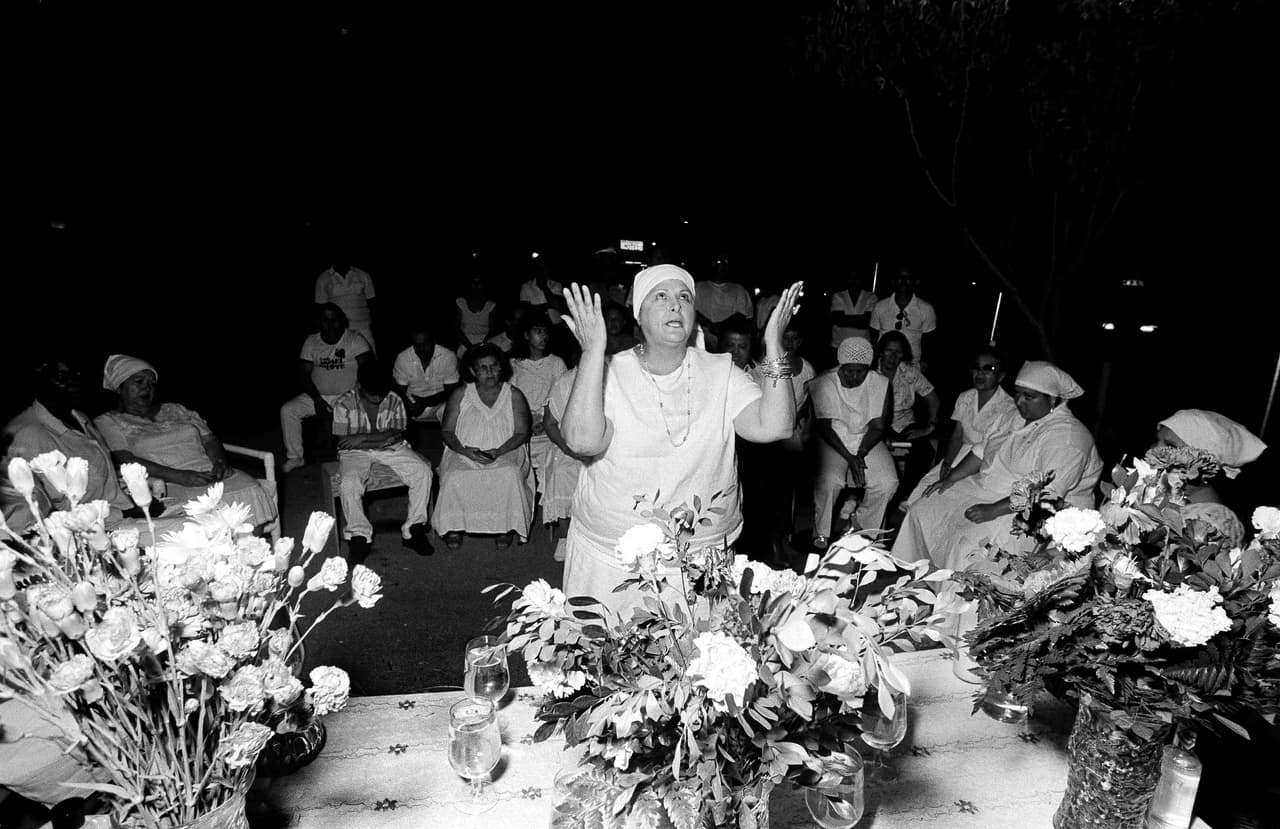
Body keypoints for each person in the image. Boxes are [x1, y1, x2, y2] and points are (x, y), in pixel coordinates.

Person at [558, 265, 803, 615]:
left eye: (684, 298)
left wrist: (774, 343)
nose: (676, 305)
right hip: (615, 552)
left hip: (701, 552)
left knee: (696, 660)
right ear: (639, 315)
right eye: (661, 296)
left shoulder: (720, 370)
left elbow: (775, 426)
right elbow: (581, 442)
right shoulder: (609, 370)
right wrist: (591, 352)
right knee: (608, 655)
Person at [892, 361, 1103, 570]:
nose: (1019, 401)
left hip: (1030, 509)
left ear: (1054, 400)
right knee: (924, 508)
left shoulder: (1068, 437)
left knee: (967, 542)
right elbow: (981, 450)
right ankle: (921, 573)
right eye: (1018, 393)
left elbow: (1048, 494)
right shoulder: (1012, 416)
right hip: (985, 487)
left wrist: (994, 510)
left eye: (1029, 397)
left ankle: (958, 597)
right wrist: (951, 478)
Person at [2, 358, 182, 541]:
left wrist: (136, 496)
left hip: (122, 509)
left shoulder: (78, 417)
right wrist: (125, 512)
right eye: (61, 376)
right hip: (93, 531)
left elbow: (104, 480)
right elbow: (48, 513)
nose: (73, 381)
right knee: (194, 529)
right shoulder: (27, 434)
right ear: (38, 380)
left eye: (77, 375)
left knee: (203, 511)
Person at [93, 355, 278, 531]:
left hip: (210, 471)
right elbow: (125, 460)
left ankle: (247, 553)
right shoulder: (109, 421)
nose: (147, 388)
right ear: (119, 387)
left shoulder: (176, 409)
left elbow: (209, 439)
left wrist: (220, 463)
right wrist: (181, 476)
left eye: (151, 383)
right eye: (139, 382)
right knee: (206, 511)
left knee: (249, 488)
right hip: (167, 482)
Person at [896, 345, 1020, 517]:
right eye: (976, 367)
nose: (980, 373)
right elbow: (957, 435)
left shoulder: (1009, 407)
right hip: (961, 453)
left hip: (985, 461)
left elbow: (992, 449)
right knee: (924, 493)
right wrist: (947, 463)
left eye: (988, 369)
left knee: (947, 500)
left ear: (1001, 375)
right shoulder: (965, 397)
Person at [331, 362, 435, 561]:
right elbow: (343, 442)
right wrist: (379, 438)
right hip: (355, 452)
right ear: (360, 386)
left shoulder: (394, 399)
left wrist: (360, 437)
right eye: (372, 394)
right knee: (349, 482)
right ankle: (359, 535)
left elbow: (396, 435)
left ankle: (414, 529)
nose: (378, 398)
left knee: (423, 471)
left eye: (381, 393)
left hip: (388, 446)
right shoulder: (344, 403)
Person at [432, 344, 534, 549]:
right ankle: (454, 526)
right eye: (482, 367)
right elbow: (447, 431)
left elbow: (522, 433)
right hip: (464, 450)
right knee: (454, 474)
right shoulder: (461, 393)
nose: (489, 372)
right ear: (472, 371)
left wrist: (498, 451)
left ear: (501, 368)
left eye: (494, 366)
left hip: (506, 450)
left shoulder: (514, 394)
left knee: (509, 473)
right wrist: (463, 450)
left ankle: (503, 527)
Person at [810, 337, 897, 548]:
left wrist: (860, 453)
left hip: (866, 438)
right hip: (833, 440)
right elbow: (824, 427)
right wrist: (849, 458)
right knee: (830, 480)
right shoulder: (824, 381)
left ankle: (861, 527)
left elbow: (878, 426)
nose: (855, 376)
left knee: (887, 482)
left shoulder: (880, 382)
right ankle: (821, 532)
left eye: (861, 371)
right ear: (841, 365)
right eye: (849, 370)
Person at [1147, 409, 1267, 546]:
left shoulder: (1214, 521)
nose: (1154, 450)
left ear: (1200, 462)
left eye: (1170, 446)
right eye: (1157, 441)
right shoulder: (1155, 493)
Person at [279, 304, 373, 473]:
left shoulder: (355, 339)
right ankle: (295, 457)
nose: (330, 325)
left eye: (334, 320)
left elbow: (368, 373)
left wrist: (352, 396)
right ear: (319, 323)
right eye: (325, 320)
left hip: (349, 395)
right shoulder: (311, 341)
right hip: (317, 394)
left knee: (353, 410)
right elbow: (304, 375)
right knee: (288, 410)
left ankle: (348, 454)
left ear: (342, 321)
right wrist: (317, 400)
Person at [875, 331, 942, 493]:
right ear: (881, 352)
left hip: (904, 423)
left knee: (924, 450)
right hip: (875, 424)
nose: (892, 356)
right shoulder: (869, 372)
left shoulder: (909, 372)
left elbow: (933, 398)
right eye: (889, 350)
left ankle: (906, 495)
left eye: (898, 352)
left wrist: (929, 427)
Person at [511, 312, 569, 498]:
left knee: (553, 470)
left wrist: (544, 420)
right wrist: (526, 421)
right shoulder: (514, 365)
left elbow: (561, 399)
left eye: (545, 332)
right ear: (527, 335)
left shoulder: (556, 363)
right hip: (521, 428)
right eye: (538, 332)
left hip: (548, 429)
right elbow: (510, 400)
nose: (543, 337)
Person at [541, 367, 595, 563]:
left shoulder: (620, 374)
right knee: (561, 471)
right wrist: (568, 449)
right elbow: (549, 423)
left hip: (610, 446)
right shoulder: (566, 381)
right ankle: (565, 536)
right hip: (570, 445)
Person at [392, 322, 461, 424]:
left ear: (434, 341)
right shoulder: (403, 358)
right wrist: (409, 404)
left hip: (440, 405)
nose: (422, 349)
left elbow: (451, 392)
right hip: (413, 405)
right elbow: (399, 392)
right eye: (418, 345)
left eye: (425, 344)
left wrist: (425, 402)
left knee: (454, 408)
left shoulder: (448, 356)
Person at [869, 267, 936, 366]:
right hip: (884, 363)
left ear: (916, 282)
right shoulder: (880, 306)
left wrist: (924, 361)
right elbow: (874, 335)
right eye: (900, 277)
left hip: (912, 364)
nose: (904, 281)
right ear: (893, 281)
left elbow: (928, 339)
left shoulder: (926, 309)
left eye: (908, 277)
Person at [314, 258, 377, 353]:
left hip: (363, 328)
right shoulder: (323, 278)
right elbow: (320, 308)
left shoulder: (363, 275)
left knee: (369, 360)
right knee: (342, 362)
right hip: (337, 330)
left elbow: (372, 302)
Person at [694, 253, 753, 351]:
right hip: (701, 344)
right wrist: (710, 325)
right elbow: (691, 310)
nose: (721, 266)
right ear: (712, 264)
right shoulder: (697, 287)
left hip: (729, 345)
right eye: (718, 262)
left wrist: (721, 327)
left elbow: (742, 315)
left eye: (725, 263)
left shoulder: (739, 290)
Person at [829, 268, 877, 352]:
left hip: (863, 345)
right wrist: (861, 319)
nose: (854, 281)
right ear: (847, 280)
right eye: (851, 278)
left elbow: (867, 321)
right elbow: (838, 320)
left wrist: (845, 319)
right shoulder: (838, 296)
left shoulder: (871, 297)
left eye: (857, 278)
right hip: (839, 344)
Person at [454, 273, 498, 353]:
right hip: (465, 341)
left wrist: (482, 345)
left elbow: (492, 330)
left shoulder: (490, 305)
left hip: (484, 341)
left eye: (479, 283)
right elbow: (457, 329)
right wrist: (470, 347)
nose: (476, 286)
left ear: (484, 285)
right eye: (474, 283)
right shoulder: (461, 302)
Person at [518, 256, 567, 326]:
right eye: (538, 268)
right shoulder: (526, 286)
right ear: (534, 270)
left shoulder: (556, 284)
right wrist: (548, 305)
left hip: (557, 325)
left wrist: (544, 287)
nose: (541, 271)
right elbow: (526, 309)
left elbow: (558, 305)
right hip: (536, 327)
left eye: (543, 268)